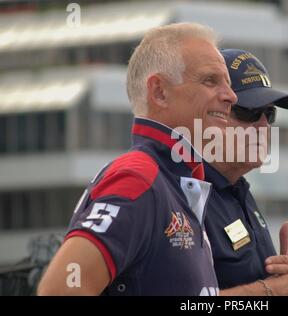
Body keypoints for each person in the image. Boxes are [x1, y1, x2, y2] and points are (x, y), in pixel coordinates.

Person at [37, 23, 237, 296]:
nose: (231, 96)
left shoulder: (170, 180)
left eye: (227, 82)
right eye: (210, 80)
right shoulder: (139, 176)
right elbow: (60, 290)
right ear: (159, 92)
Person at [204, 49, 288, 296]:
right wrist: (271, 291)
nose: (264, 125)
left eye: (270, 113)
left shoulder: (237, 190)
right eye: (249, 112)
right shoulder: (185, 197)